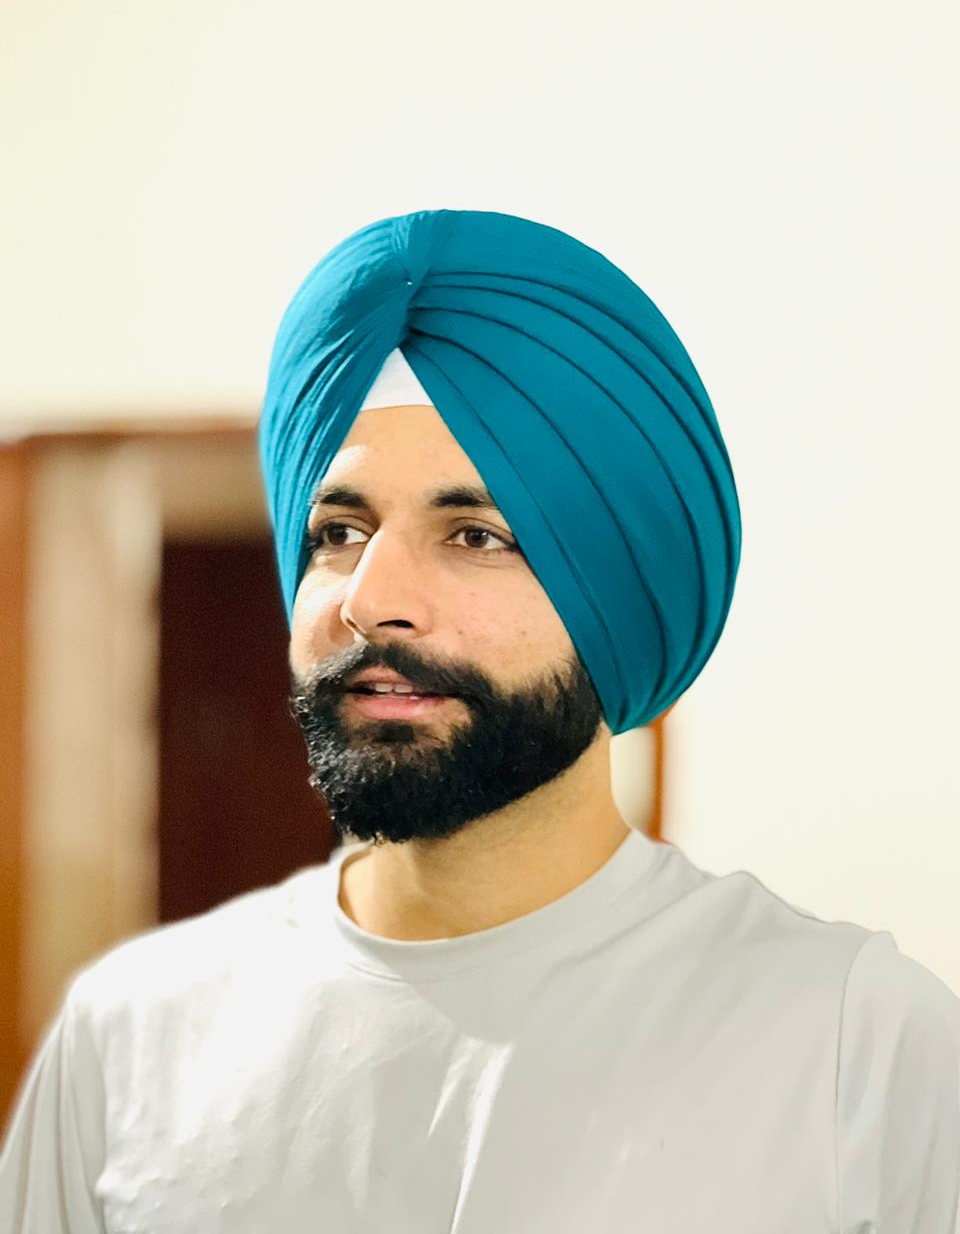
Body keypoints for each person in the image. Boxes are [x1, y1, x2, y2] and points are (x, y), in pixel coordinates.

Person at [1, 210, 957, 1231]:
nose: (372, 598)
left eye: (475, 534)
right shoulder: (130, 1037)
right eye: (339, 530)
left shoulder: (853, 1045)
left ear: (617, 598)